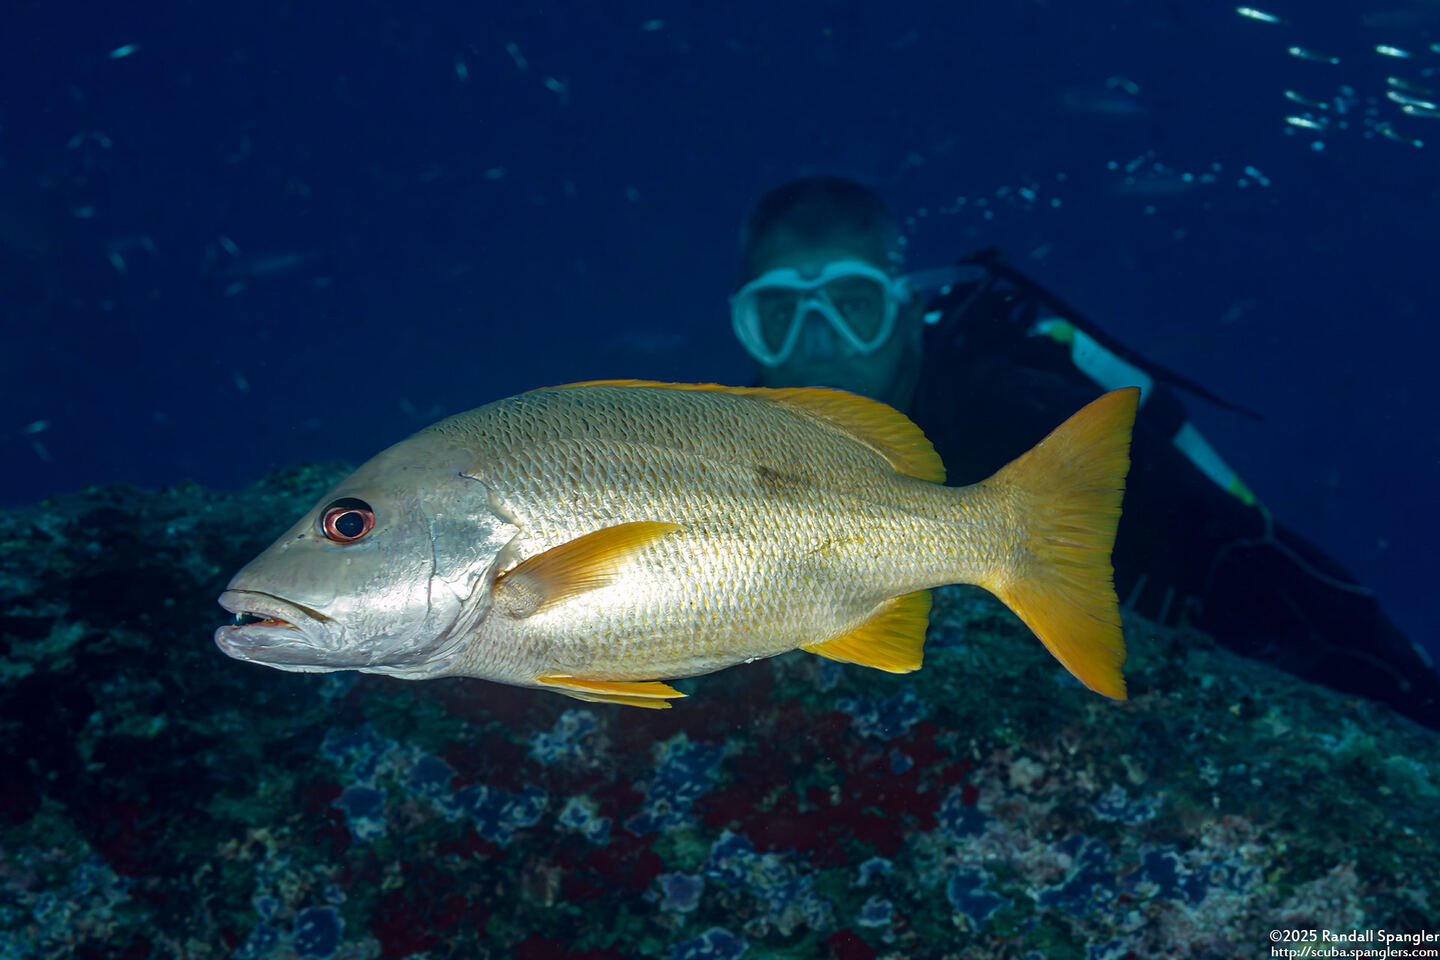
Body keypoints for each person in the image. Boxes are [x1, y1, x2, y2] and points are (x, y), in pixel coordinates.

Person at [730, 174, 1440, 730]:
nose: (816, 348)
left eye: (851, 306)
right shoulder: (724, 451)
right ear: (744, 332)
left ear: (908, 314)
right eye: (779, 317)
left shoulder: (1023, 418)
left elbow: (1243, 557)